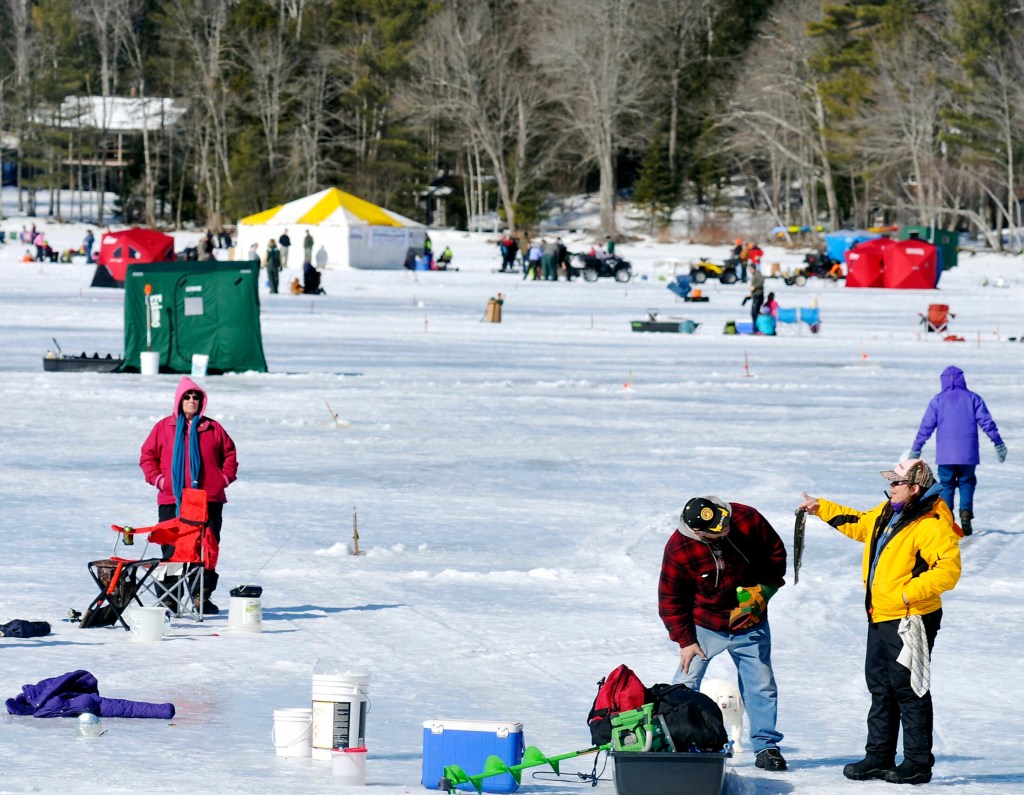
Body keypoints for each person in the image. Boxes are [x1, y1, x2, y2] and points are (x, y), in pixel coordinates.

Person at [797, 459, 961, 785]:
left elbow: (948, 571)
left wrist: (905, 595)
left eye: (897, 483)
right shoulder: (892, 510)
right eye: (891, 483)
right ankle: (879, 756)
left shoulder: (932, 522)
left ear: (915, 488)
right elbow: (860, 523)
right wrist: (822, 508)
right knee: (880, 686)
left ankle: (916, 762)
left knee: (909, 688)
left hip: (910, 617)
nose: (891, 488)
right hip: (881, 614)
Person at [658, 495, 788, 771]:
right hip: (705, 624)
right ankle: (679, 742)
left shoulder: (746, 518)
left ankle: (766, 746)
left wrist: (763, 590)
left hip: (750, 620)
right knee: (684, 684)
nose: (725, 529)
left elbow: (776, 553)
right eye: (717, 530)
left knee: (761, 685)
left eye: (725, 523)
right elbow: (671, 599)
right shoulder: (679, 549)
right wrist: (686, 641)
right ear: (697, 532)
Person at [139, 377, 238, 615]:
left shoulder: (213, 428)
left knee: (207, 548)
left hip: (208, 499)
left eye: (196, 397)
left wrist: (222, 479)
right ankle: (170, 597)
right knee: (172, 548)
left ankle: (200, 596)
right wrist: (160, 481)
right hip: (172, 499)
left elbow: (230, 455)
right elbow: (147, 457)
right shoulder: (164, 427)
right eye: (187, 397)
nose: (192, 400)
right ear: (179, 400)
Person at [909, 366, 1006, 535]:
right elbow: (987, 423)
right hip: (968, 454)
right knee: (967, 482)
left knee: (946, 484)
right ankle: (966, 513)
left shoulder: (938, 400)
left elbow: (926, 427)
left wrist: (916, 449)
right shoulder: (973, 398)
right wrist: (998, 443)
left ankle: (947, 519)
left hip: (945, 455)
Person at [747, 264, 764, 330]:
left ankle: (756, 328)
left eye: (750, 269)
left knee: (754, 313)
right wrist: (751, 294)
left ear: (753, 269)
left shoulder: (757, 274)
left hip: (758, 296)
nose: (750, 271)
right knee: (755, 313)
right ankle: (755, 327)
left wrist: (754, 287)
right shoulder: (754, 275)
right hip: (755, 295)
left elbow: (761, 281)